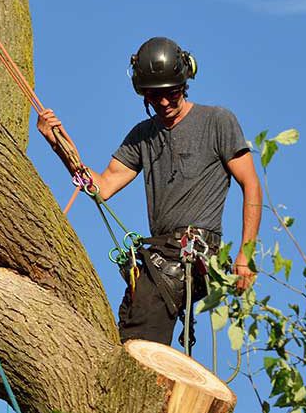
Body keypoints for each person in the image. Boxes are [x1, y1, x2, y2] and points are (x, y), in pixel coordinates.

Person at [37, 37, 262, 349]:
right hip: (159, 252)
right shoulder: (143, 135)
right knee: (130, 320)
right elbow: (102, 186)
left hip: (193, 251)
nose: (165, 104)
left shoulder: (217, 121)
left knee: (142, 332)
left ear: (185, 83)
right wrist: (58, 145)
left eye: (171, 94)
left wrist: (246, 256)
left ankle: (141, 386)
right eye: (155, 98)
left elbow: (251, 184)